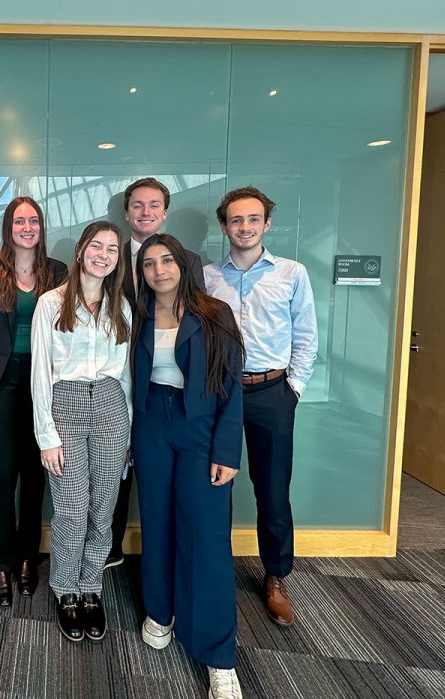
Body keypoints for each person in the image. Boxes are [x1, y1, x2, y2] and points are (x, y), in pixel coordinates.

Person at [132, 233, 244, 699]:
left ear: (182, 264)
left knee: (206, 535)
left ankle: (218, 655)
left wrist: (227, 451)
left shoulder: (214, 314)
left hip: (200, 427)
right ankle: (161, 612)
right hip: (150, 425)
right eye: (149, 263)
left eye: (167, 261)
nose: (159, 271)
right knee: (157, 522)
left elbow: (231, 384)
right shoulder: (135, 315)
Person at [205, 186, 318, 628]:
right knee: (214, 482)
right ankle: (215, 569)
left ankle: (276, 576)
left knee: (272, 488)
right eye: (236, 220)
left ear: (267, 224)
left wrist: (293, 390)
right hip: (220, 392)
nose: (245, 227)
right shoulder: (208, 278)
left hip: (271, 392)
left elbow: (306, 335)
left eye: (253, 219)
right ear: (224, 227)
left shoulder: (291, 273)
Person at [31, 220, 132, 643]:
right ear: (80, 251)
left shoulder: (120, 306)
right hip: (66, 407)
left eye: (112, 249)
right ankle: (65, 589)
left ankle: (91, 588)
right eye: (96, 246)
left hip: (111, 407)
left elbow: (125, 374)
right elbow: (40, 373)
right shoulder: (51, 303)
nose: (103, 255)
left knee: (102, 510)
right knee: (72, 511)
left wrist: (129, 433)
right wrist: (47, 436)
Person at [0, 197, 67, 606]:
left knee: (36, 473)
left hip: (45, 383)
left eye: (34, 221)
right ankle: (0, 562)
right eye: (19, 221)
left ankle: (28, 557)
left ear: (42, 227)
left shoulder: (58, 272)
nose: (27, 228)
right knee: (4, 472)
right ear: (8, 228)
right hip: (3, 383)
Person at [108, 177, 206, 567]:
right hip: (115, 375)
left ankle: (167, 554)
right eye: (137, 205)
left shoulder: (189, 261)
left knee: (160, 475)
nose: (145, 212)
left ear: (165, 213)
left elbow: (196, 323)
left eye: (153, 205)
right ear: (126, 213)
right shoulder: (110, 255)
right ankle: (109, 546)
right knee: (115, 465)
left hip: (165, 383)